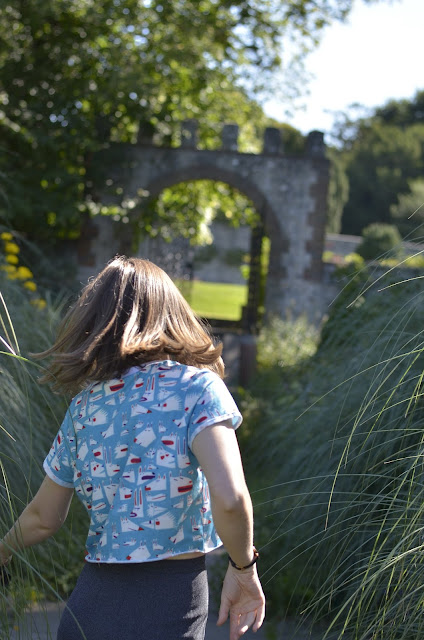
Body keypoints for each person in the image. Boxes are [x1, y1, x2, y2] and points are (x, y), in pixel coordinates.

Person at [0, 257, 265, 640]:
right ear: (173, 313)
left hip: (88, 609)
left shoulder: (85, 406)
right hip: (168, 606)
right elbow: (231, 498)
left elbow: (43, 516)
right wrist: (243, 569)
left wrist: (3, 551)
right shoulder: (198, 389)